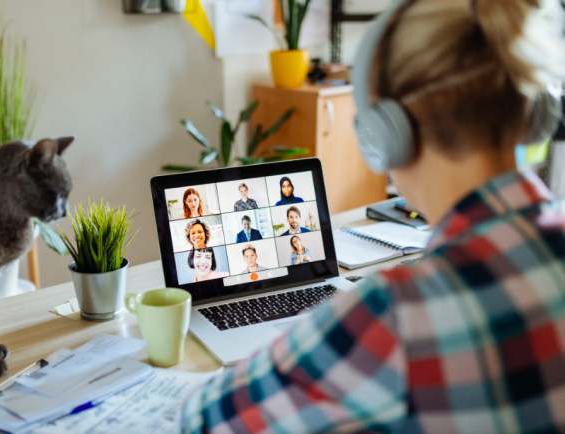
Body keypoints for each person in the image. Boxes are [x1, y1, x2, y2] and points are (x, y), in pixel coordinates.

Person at [181, 0, 565, 432]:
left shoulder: (399, 312)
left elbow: (205, 421)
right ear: (535, 111)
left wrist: (310, 343)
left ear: (385, 132)